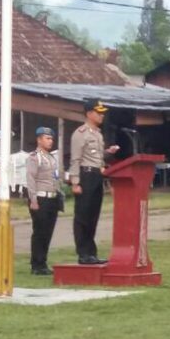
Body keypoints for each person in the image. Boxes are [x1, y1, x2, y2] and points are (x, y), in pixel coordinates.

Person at [69, 98, 119, 265]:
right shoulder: (80, 134)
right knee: (83, 215)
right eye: (99, 113)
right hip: (86, 175)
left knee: (93, 215)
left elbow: (96, 157)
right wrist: (75, 182)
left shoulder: (97, 133)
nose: (102, 116)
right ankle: (83, 253)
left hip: (97, 175)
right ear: (89, 113)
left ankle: (91, 253)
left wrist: (107, 152)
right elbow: (75, 159)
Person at [26, 127, 62, 275]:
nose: (50, 141)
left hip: (52, 198)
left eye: (51, 139)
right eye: (47, 138)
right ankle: (36, 264)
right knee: (39, 232)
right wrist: (33, 199)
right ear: (39, 140)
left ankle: (43, 262)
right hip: (40, 198)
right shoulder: (35, 157)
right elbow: (30, 179)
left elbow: (55, 177)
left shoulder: (52, 157)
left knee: (48, 232)